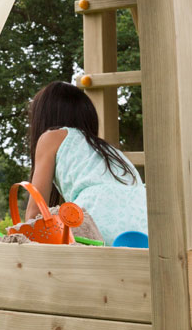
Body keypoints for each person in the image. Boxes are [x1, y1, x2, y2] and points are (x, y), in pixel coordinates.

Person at [26, 80, 147, 247]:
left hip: (97, 218)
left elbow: (36, 211)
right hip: (143, 224)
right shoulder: (107, 150)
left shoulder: (51, 137)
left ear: (43, 117)